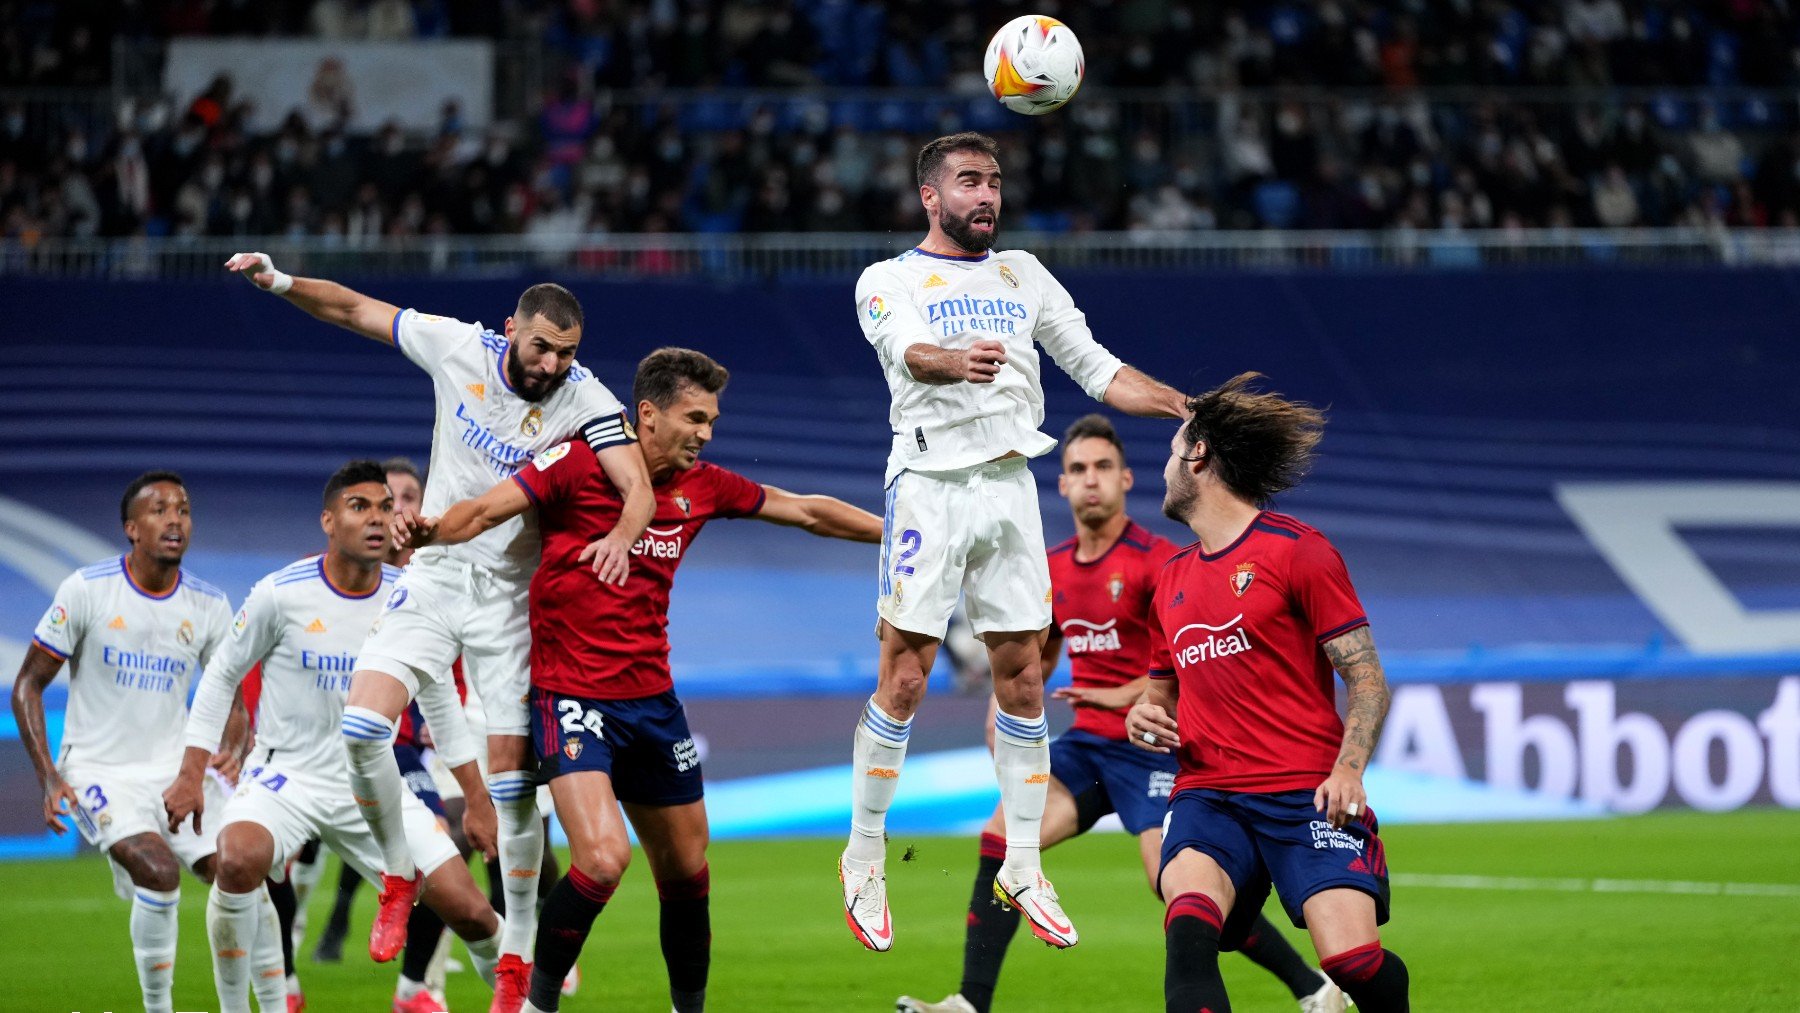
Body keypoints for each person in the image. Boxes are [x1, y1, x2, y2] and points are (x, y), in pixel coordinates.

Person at [224, 252, 654, 1011]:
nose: (551, 363)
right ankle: (397, 868)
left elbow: (638, 486)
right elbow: (356, 308)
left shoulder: (586, 398)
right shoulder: (459, 346)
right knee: (362, 727)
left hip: (509, 603)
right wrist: (283, 283)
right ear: (510, 330)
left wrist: (621, 535)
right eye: (541, 347)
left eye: (566, 352)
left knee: (515, 794)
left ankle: (515, 954)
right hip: (433, 575)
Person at [398, 348, 883, 1013]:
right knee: (601, 858)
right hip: (571, 696)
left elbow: (804, 511)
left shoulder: (704, 485)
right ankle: (531, 1005)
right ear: (647, 414)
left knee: (687, 871)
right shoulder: (574, 464)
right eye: (695, 417)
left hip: (652, 702)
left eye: (712, 421)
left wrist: (901, 535)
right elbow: (483, 510)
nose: (706, 434)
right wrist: (429, 533)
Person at [843, 130, 1188, 952]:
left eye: (994, 181)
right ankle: (863, 853)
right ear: (931, 196)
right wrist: (952, 359)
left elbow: (1097, 368)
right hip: (929, 483)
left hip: (1009, 484)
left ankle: (1025, 862)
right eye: (969, 181)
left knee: (1025, 677)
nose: (986, 195)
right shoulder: (887, 279)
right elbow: (910, 353)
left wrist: (1182, 406)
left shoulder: (1023, 273)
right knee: (904, 674)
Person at [900, 415, 1345, 1013]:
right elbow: (1036, 658)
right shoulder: (1051, 567)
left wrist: (1121, 698)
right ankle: (970, 1002)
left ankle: (1314, 987)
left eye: (1103, 468)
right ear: (1060, 486)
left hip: (1153, 747)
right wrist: (999, 711)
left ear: (1126, 479)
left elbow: (1193, 666)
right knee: (1003, 840)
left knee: (1177, 888)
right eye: (1078, 469)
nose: (1091, 480)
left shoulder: (1161, 562)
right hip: (1088, 746)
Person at [162, 460, 504, 1013]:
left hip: (376, 785)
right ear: (328, 520)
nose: (377, 519)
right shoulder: (280, 593)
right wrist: (190, 773)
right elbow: (222, 672)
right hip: (285, 777)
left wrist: (478, 799)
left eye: (386, 508)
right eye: (360, 506)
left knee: (474, 915)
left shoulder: (414, 596)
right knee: (236, 860)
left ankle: (517, 1000)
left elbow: (440, 700)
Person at [1126, 374, 1409, 1012]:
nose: (1164, 467)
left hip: (1303, 792)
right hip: (1208, 795)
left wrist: (1349, 769)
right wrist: (1144, 717)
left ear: (1199, 457)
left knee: (1354, 964)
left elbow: (1365, 677)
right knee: (1190, 927)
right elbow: (1157, 697)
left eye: (1172, 452)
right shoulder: (1169, 578)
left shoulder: (1299, 553)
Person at [9, 471, 267, 1013]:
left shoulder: (208, 605)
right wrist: (50, 776)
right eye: (160, 510)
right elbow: (28, 684)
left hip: (176, 773)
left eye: (184, 509)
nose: (176, 519)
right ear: (132, 528)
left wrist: (233, 749)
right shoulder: (88, 589)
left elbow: (233, 703)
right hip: (97, 771)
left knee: (244, 873)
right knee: (159, 871)